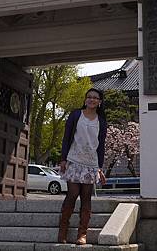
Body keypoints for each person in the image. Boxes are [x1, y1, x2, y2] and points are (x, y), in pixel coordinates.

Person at [57, 88, 108, 245]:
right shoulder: (75, 115)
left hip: (91, 164)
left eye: (95, 98)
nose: (92, 100)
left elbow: (101, 146)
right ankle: (63, 231)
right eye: (89, 97)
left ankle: (82, 234)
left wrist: (100, 168)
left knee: (86, 197)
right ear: (85, 99)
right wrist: (63, 159)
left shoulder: (101, 121)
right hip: (73, 160)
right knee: (72, 193)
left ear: (99, 102)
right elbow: (66, 137)